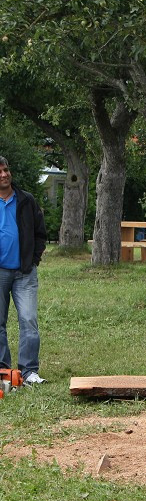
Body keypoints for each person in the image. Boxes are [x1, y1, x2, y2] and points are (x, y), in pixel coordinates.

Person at [0, 156, 48, 385]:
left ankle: (29, 372)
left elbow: (41, 232)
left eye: (6, 170)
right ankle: (3, 373)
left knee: (28, 320)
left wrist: (34, 258)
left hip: (24, 273)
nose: (4, 175)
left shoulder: (26, 200)